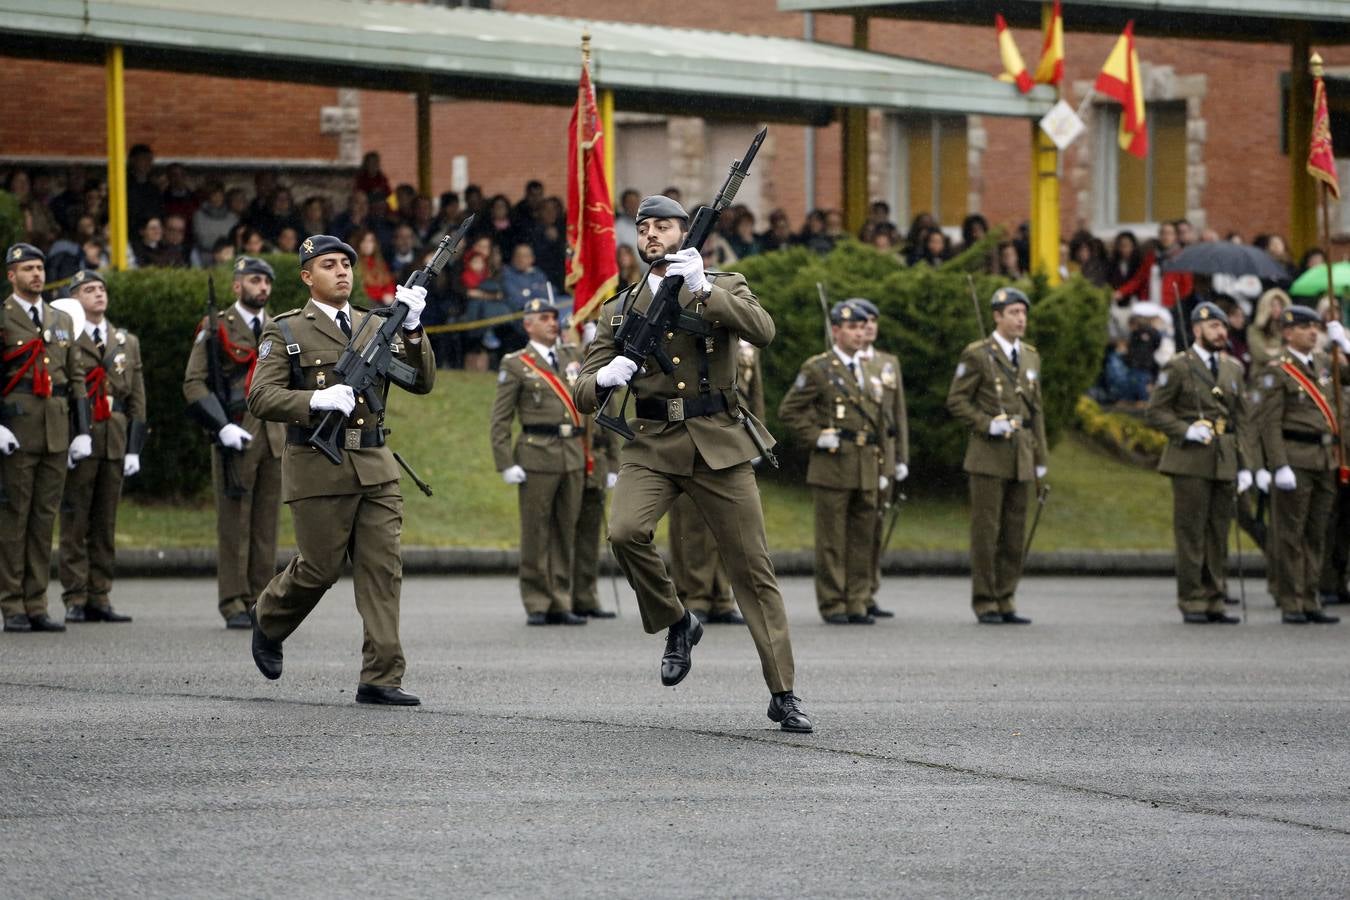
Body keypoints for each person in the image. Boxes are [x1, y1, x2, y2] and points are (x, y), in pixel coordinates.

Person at [572, 195, 812, 734]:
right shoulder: (619, 308)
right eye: (646, 227)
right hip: (654, 442)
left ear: (687, 233)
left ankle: (784, 692)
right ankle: (678, 621)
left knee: (752, 569)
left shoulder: (724, 286)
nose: (653, 234)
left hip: (719, 442)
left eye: (665, 226)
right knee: (625, 532)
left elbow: (763, 331)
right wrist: (604, 378)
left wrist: (704, 289)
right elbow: (583, 389)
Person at [245, 235, 436, 703]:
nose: (342, 271)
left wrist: (412, 328)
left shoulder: (376, 324)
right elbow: (260, 397)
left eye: (347, 264)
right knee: (319, 569)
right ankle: (268, 619)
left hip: (375, 464)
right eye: (329, 265)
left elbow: (422, 381)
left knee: (382, 571)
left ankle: (381, 677)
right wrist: (314, 399)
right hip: (317, 465)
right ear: (308, 276)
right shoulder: (286, 330)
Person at [182, 256, 286, 630]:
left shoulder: (279, 327)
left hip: (274, 433)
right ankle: (232, 601)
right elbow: (194, 383)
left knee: (266, 525)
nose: (262, 287)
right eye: (255, 280)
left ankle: (261, 600)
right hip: (236, 430)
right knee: (234, 522)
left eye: (266, 282)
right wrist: (221, 426)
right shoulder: (216, 326)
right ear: (237, 285)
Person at [779, 301, 892, 624]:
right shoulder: (819, 368)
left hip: (866, 464)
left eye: (861, 327)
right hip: (833, 464)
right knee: (832, 540)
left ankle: (857, 601)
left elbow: (880, 422)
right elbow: (790, 410)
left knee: (862, 539)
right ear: (836, 331)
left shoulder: (871, 369)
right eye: (852, 328)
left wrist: (883, 465)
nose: (859, 334)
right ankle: (832, 603)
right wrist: (816, 436)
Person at [1145, 302, 1255, 624]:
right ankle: (1193, 600)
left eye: (1223, 326)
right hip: (1190, 459)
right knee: (1192, 532)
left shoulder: (1233, 368)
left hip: (1224, 458)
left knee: (1218, 532)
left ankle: (1215, 599)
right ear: (1196, 330)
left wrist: (1246, 465)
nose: (1220, 332)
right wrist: (1185, 430)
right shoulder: (1179, 366)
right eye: (1213, 327)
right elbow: (1156, 411)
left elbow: (1243, 420)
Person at [1, 243, 91, 633]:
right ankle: (11, 603)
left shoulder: (60, 319)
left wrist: (82, 431)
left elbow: (76, 380)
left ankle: (37, 602)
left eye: (39, 268)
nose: (36, 274)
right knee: (13, 518)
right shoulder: (3, 316)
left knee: (43, 520)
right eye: (27, 269)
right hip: (17, 426)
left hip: (55, 427)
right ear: (11, 275)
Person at [945, 287, 1047, 625]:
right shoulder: (978, 354)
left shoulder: (1030, 356)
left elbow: (1036, 412)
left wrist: (1041, 459)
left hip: (1022, 454)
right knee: (987, 532)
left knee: (1014, 532)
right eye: (1013, 312)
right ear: (997, 316)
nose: (1021, 319)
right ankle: (986, 600)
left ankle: (1007, 597)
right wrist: (987, 424)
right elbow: (957, 400)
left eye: (1023, 312)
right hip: (988, 455)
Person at [490, 298, 593, 625]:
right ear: (528, 324)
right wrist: (505, 462)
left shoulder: (571, 357)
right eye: (544, 318)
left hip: (571, 454)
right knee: (536, 532)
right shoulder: (516, 363)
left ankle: (560, 600)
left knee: (565, 531)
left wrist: (594, 335)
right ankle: (537, 600)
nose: (553, 323)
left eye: (554, 317)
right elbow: (500, 419)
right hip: (536, 455)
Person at [59, 270, 146, 624]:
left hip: (114, 437)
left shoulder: (126, 341)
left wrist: (134, 448)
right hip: (82, 436)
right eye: (88, 290)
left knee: (105, 522)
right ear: (74, 299)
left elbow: (138, 398)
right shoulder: (67, 338)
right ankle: (74, 596)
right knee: (75, 520)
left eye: (100, 289)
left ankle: (100, 595)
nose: (98, 294)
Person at [1254, 304, 1349, 625]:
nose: (1313, 332)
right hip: (1295, 459)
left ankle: (1311, 597)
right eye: (1306, 327)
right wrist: (1277, 465)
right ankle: (1292, 601)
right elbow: (1269, 423)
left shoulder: (1325, 362)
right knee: (1291, 535)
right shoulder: (1277, 370)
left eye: (1317, 328)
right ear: (1288, 332)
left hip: (1325, 460)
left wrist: (1344, 344)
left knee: (1316, 533)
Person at [667, 335, 765, 627]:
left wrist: (757, 438)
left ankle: (722, 597)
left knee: (729, 525)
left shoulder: (744, 344)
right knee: (692, 525)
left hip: (731, 436)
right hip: (688, 435)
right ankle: (694, 597)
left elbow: (753, 396)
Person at [854, 298, 910, 618]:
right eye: (864, 322)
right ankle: (855, 593)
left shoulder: (888, 363)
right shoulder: (845, 362)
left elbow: (897, 414)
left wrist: (901, 456)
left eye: (874, 320)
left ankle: (870, 590)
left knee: (876, 527)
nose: (870, 326)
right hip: (858, 454)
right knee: (858, 528)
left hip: (884, 455)